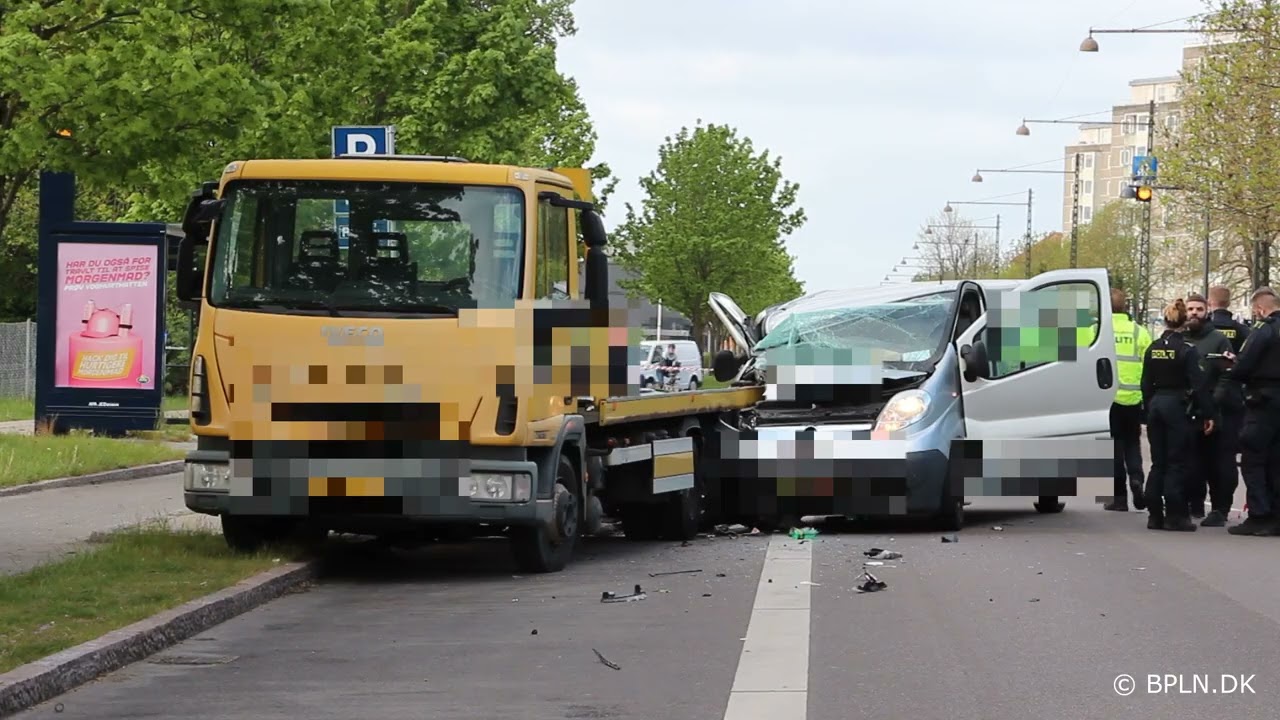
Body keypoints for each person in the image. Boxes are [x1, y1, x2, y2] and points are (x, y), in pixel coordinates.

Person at [1141, 299, 1216, 532]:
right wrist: (1208, 413)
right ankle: (1176, 515)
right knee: (1177, 462)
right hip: (1177, 406)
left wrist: (1149, 407)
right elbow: (1199, 384)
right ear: (1184, 323)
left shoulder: (1153, 348)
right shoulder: (1186, 350)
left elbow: (1145, 383)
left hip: (1156, 405)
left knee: (1158, 462)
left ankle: (1154, 514)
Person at [1225, 287, 1280, 536]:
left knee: (1254, 458)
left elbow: (1244, 363)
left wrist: (1232, 366)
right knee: (1276, 460)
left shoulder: (1264, 329)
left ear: (1259, 309)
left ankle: (1259, 515)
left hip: (1263, 401)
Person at [1182, 293, 1234, 524]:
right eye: (1190, 309)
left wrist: (1212, 405)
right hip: (1185, 410)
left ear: (1207, 312)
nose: (1194, 313)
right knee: (1191, 462)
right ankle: (1195, 505)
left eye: (1199, 309)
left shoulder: (1219, 340)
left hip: (1213, 411)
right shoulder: (1180, 338)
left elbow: (1226, 376)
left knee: (1216, 463)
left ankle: (1219, 510)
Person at [1105, 288, 1153, 512]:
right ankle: (1137, 479)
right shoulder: (1139, 332)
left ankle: (1119, 498)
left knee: (1113, 448)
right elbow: (1150, 363)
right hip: (1134, 398)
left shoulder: (1098, 330)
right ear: (1125, 307)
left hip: (1107, 399)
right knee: (1133, 444)